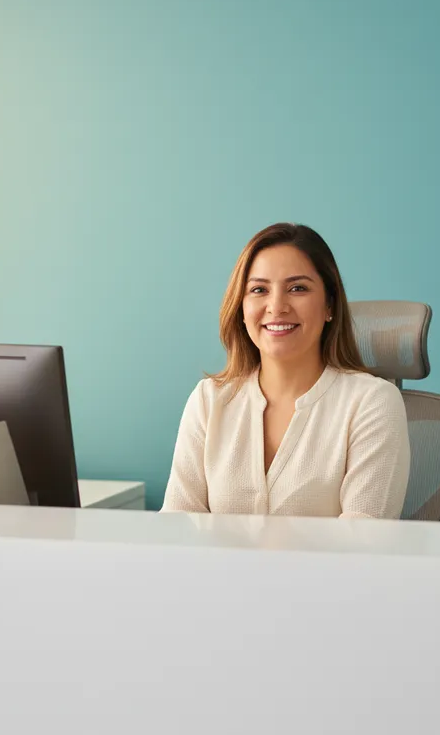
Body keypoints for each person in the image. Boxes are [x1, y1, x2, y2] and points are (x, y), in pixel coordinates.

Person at [161, 222, 410, 518]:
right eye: (258, 290)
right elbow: (176, 525)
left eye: (297, 288)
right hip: (217, 566)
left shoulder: (373, 402)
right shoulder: (209, 400)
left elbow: (362, 541)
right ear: (241, 307)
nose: (276, 306)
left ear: (329, 304)